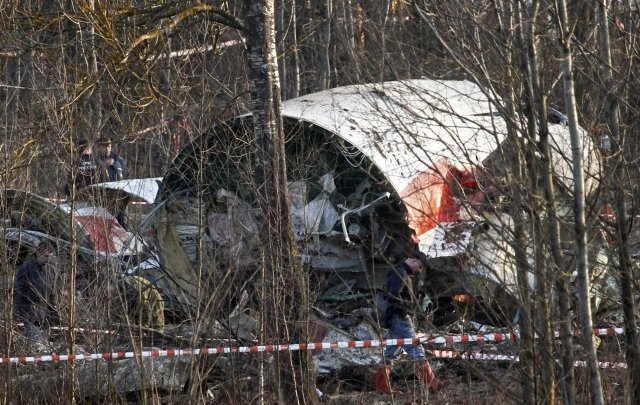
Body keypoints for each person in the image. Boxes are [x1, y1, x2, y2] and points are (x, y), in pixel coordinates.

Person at [375, 251, 446, 394]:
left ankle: (382, 387)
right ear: (414, 261)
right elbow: (394, 294)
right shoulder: (401, 272)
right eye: (420, 267)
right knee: (417, 350)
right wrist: (406, 309)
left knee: (390, 353)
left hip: (394, 318)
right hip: (400, 318)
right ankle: (433, 384)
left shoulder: (399, 271)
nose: (419, 270)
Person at [13, 241, 58, 342]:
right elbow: (18, 292)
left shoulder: (51, 270)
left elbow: (52, 294)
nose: (48, 259)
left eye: (50, 256)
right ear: (38, 253)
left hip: (45, 315)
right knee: (35, 342)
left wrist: (54, 312)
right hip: (29, 312)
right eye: (46, 256)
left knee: (44, 345)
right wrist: (22, 312)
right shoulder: (26, 269)